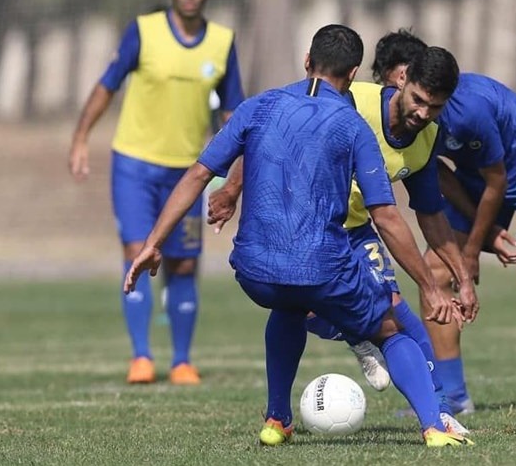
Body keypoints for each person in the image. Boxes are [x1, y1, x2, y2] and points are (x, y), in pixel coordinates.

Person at [125, 24, 472, 448]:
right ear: (353, 74)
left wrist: (153, 243)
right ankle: (434, 425)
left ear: (307, 61)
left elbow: (198, 175)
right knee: (392, 329)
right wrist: (430, 286)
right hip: (322, 268)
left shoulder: (257, 106)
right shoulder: (353, 125)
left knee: (288, 306)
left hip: (253, 271)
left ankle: (277, 420)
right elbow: (386, 216)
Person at [209, 46, 480, 436]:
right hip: (311, 230)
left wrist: (462, 277)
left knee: (401, 319)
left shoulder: (427, 138)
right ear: (401, 79)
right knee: (301, 306)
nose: (423, 113)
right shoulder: (353, 101)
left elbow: (430, 214)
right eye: (419, 100)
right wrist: (233, 188)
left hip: (357, 230)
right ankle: (351, 343)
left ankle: (439, 413)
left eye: (434, 107)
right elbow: (278, 131)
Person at [372, 29, 516, 415]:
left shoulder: (467, 108)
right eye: (391, 84)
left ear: (411, 72)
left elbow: (499, 180)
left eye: (398, 79)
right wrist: (486, 229)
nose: (396, 91)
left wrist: (473, 250)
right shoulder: (405, 113)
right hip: (475, 179)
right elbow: (435, 173)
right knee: (435, 272)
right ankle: (454, 395)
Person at [67, 0, 244, 385]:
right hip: (134, 165)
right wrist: (81, 137)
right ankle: (141, 358)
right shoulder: (143, 31)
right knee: (136, 253)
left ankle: (182, 361)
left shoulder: (222, 42)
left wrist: (237, 172)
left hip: (187, 174)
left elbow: (233, 114)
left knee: (183, 265)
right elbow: (107, 86)